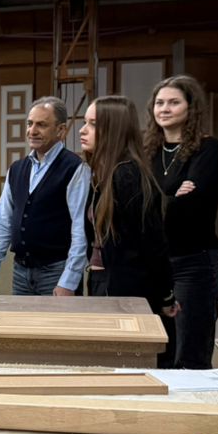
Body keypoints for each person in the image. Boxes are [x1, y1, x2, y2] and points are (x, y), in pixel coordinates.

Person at [146, 75, 218, 367]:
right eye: (159, 103)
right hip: (156, 265)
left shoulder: (208, 148)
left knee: (190, 356)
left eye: (174, 102)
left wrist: (158, 201)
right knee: (159, 356)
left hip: (194, 263)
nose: (164, 109)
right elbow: (137, 207)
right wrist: (171, 197)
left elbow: (190, 210)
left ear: (191, 108)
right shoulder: (147, 151)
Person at [0, 96, 91, 297]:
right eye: (30, 123)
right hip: (20, 272)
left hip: (57, 272)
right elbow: (3, 222)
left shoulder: (75, 168)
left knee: (56, 320)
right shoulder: (16, 169)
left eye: (41, 125)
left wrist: (69, 280)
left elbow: (80, 229)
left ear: (61, 130)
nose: (32, 131)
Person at [79, 96, 176, 316]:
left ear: (113, 130)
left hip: (128, 288)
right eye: (85, 122)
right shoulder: (102, 174)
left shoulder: (127, 175)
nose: (82, 130)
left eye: (93, 124)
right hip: (101, 280)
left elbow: (152, 243)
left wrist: (165, 294)